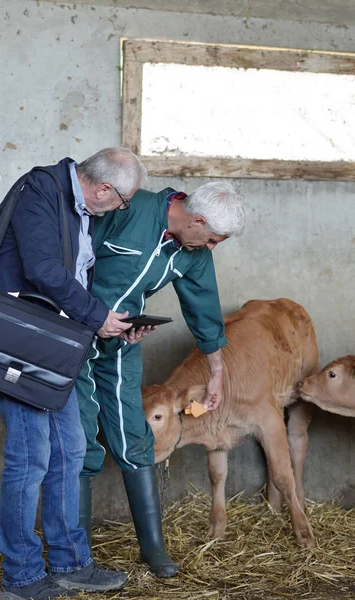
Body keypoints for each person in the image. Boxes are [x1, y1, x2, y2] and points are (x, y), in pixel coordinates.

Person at [0, 148, 147, 600]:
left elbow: (72, 279)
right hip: (23, 343)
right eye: (122, 201)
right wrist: (97, 316)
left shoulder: (74, 208)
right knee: (30, 456)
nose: (119, 209)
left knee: (70, 450)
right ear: (103, 189)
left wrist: (112, 322)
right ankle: (20, 579)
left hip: (54, 346)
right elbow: (42, 271)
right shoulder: (40, 190)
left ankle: (70, 563)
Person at [76, 180, 245, 578]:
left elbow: (204, 309)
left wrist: (217, 372)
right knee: (80, 437)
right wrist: (86, 317)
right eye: (214, 238)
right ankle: (77, 555)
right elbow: (71, 259)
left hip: (122, 342)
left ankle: (152, 549)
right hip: (74, 340)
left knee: (133, 434)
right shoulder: (129, 209)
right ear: (197, 220)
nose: (213, 247)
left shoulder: (194, 251)